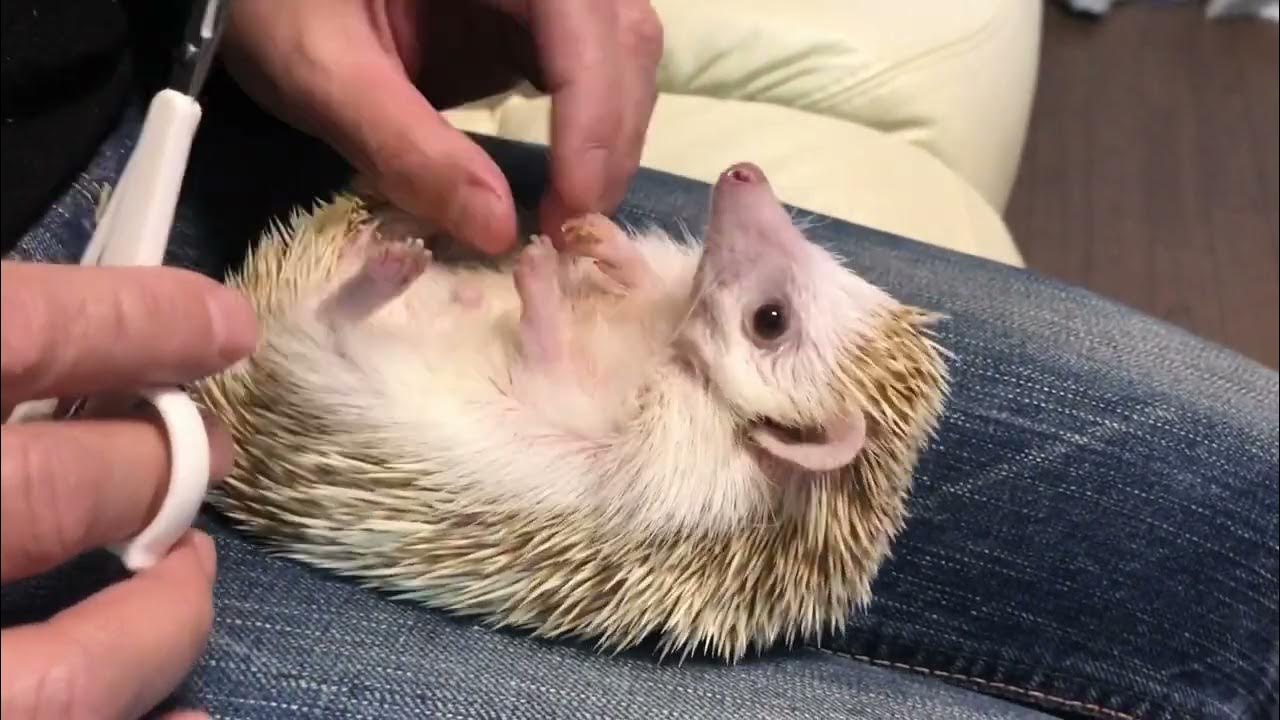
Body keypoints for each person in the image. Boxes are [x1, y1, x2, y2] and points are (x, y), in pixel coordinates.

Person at [1, 2, 1276, 720]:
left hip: (177, 85)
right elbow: (553, 406)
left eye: (770, 318)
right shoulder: (691, 435)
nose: (749, 204)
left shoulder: (720, 438)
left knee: (1252, 496)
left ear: (784, 436)